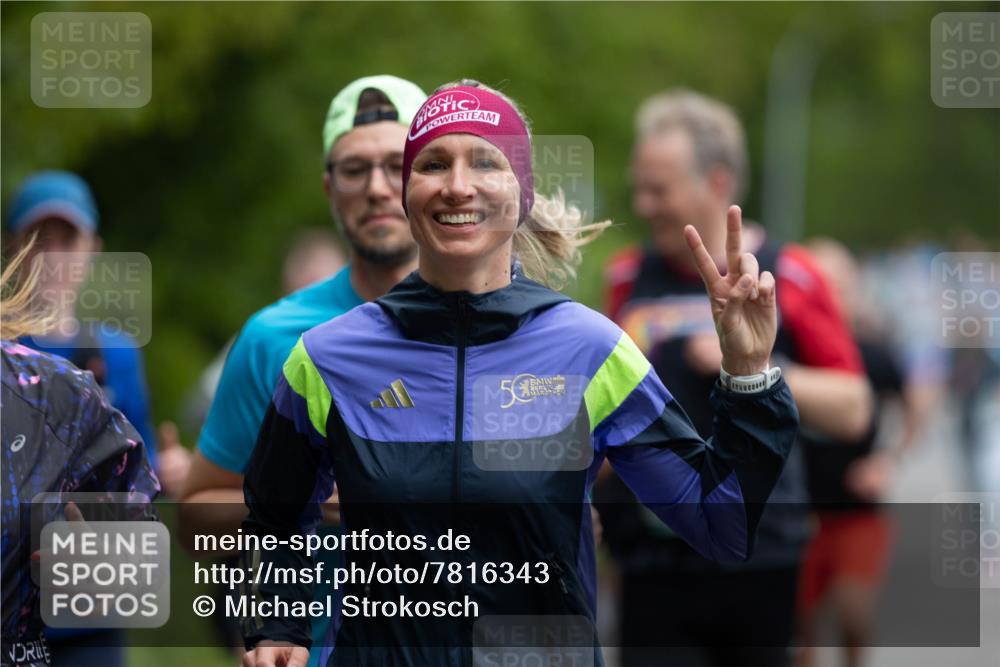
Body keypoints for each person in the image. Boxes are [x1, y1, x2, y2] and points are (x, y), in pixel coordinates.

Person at [240, 79, 799, 667]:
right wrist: (278, 626)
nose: (458, 186)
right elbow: (275, 519)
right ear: (407, 193)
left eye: (486, 162)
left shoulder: (592, 351)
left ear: (522, 192)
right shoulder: (327, 358)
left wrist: (748, 373)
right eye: (434, 164)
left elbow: (721, 522)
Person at [596, 90, 871, 667]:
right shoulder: (626, 278)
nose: (643, 205)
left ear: (717, 183)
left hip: (761, 556)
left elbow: (853, 407)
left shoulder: (791, 274)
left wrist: (755, 369)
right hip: (650, 561)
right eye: (638, 187)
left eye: (659, 189)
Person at [177, 75, 426, 664]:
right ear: (329, 186)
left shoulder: (493, 326)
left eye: (397, 164)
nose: (376, 188)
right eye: (354, 169)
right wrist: (304, 495)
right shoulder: (273, 338)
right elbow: (194, 520)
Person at [5, 170, 161, 667]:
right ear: (12, 247)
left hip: (90, 614)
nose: (51, 256)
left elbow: (140, 474)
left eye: (66, 239)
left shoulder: (117, 353)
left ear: (92, 247)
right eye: (37, 239)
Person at [796, 238, 919, 667]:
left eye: (837, 286)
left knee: (853, 610)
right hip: (798, 508)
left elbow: (915, 406)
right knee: (801, 628)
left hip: (856, 510)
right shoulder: (786, 350)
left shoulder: (874, 352)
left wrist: (888, 460)